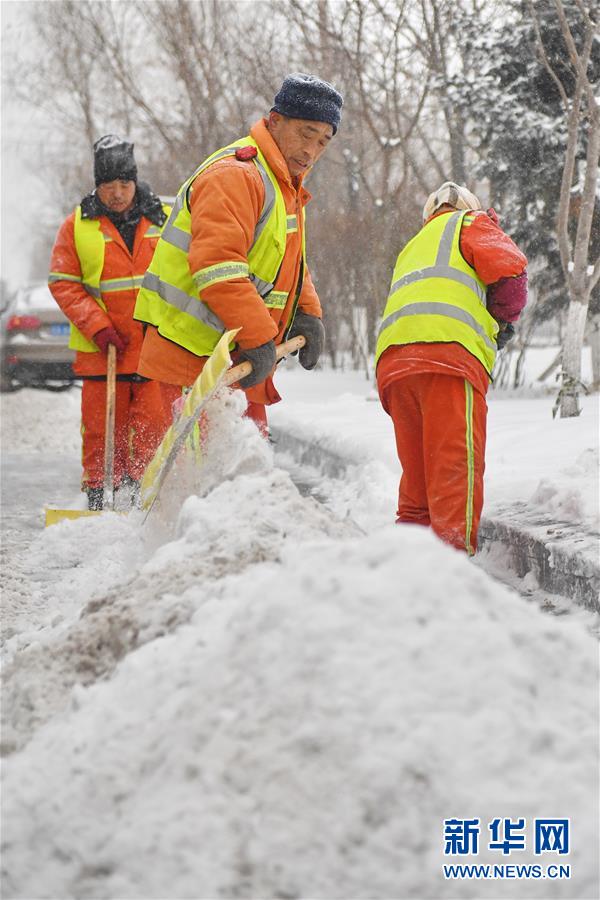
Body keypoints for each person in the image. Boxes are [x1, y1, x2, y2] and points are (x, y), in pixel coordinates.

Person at [134, 73, 343, 434]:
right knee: (199, 482)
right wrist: (259, 335)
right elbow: (219, 267)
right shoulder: (236, 175)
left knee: (245, 473)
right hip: (194, 359)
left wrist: (307, 311)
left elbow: (289, 260)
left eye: (323, 142)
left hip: (238, 357)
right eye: (306, 133)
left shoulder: (282, 185)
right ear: (275, 121)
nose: (312, 152)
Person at [375, 181, 528, 555]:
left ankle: (410, 565)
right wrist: (503, 321)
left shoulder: (413, 246)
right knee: (454, 470)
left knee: (418, 482)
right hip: (446, 357)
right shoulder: (471, 223)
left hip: (395, 365)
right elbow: (512, 275)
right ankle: (452, 572)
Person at [48, 135, 172, 510]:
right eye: (107, 185)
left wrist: (166, 322)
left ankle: (142, 498)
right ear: (96, 185)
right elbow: (63, 283)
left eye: (124, 184)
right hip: (102, 350)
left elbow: (181, 275)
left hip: (154, 348)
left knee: (151, 427)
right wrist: (98, 327)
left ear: (135, 181)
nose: (117, 193)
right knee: (102, 430)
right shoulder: (78, 225)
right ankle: (99, 500)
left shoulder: (163, 220)